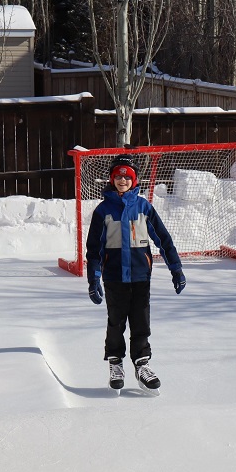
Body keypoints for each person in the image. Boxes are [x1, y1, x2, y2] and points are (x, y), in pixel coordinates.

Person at [85, 154, 186, 394]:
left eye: (127, 177)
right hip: (114, 277)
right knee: (116, 322)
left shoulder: (144, 207)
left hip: (141, 276)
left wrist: (176, 268)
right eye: (118, 176)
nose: (122, 180)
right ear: (112, 179)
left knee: (141, 322)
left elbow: (163, 239)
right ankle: (115, 363)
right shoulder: (103, 210)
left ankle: (142, 365)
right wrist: (93, 279)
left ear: (134, 180)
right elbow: (94, 249)